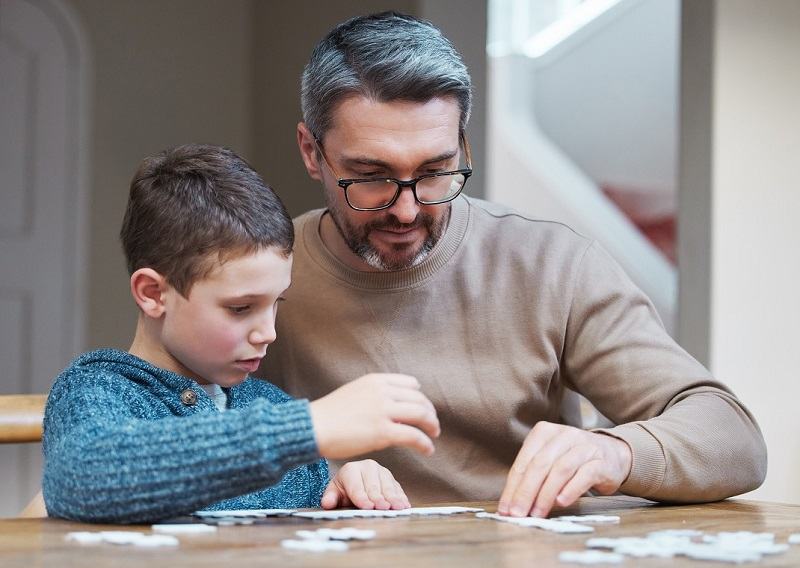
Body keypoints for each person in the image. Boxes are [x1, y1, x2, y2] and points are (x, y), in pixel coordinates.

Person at [260, 12, 767, 518]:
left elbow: (733, 439)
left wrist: (616, 452)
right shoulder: (257, 276)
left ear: (463, 144)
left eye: (436, 171)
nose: (407, 209)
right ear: (311, 151)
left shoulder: (550, 265)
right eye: (371, 176)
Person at [42, 144, 440, 524]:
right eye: (240, 308)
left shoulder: (267, 404)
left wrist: (342, 486)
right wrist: (305, 428)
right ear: (153, 294)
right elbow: (84, 476)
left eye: (275, 303)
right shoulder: (97, 390)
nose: (267, 333)